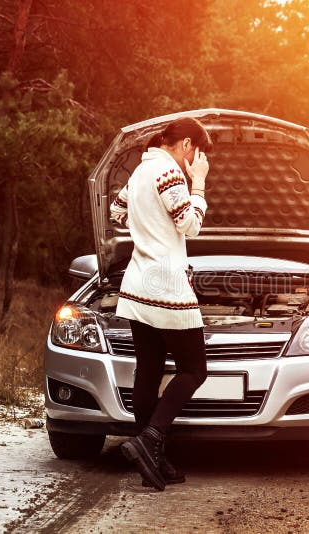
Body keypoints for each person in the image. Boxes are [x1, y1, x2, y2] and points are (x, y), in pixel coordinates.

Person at [109, 117, 213, 491]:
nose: (198, 160)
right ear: (187, 145)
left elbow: (116, 212)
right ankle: (150, 438)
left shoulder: (141, 171)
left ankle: (152, 455)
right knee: (194, 369)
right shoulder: (169, 172)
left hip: (138, 281)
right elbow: (190, 224)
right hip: (167, 284)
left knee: (148, 372)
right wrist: (198, 184)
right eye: (199, 154)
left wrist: (147, 229)